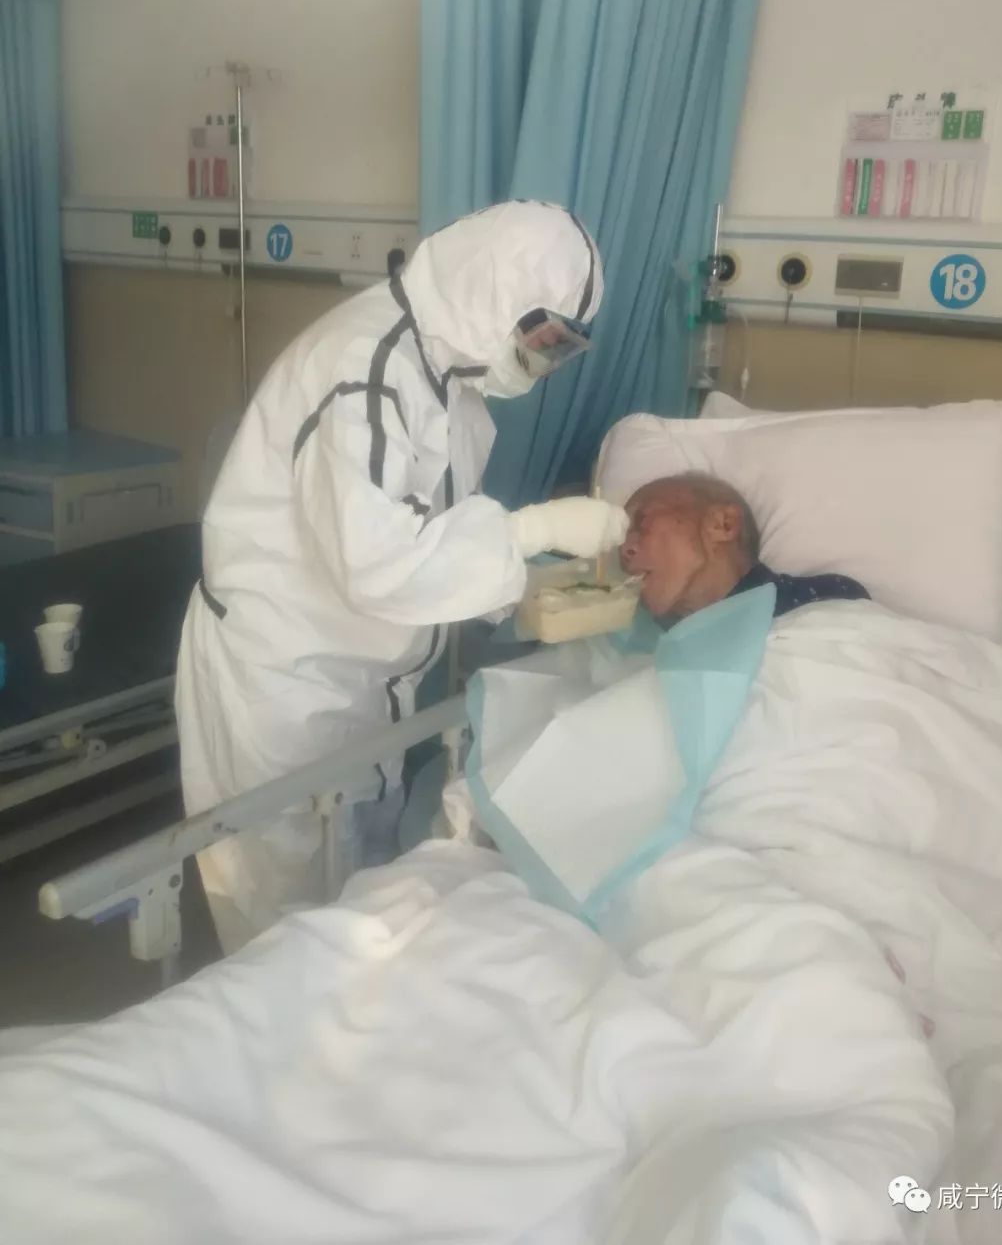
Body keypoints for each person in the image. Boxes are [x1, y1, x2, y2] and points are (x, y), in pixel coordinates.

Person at [176, 200, 628, 951]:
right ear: (492, 293)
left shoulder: (448, 377)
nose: (542, 366)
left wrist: (524, 589)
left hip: (358, 676)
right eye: (543, 341)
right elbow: (378, 560)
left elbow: (431, 531)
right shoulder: (366, 370)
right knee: (279, 928)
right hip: (283, 678)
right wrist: (534, 533)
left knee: (348, 901)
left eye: (561, 351)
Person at [619, 472, 868, 621]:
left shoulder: (828, 597)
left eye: (641, 521)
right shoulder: (638, 651)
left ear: (723, 524)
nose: (624, 550)